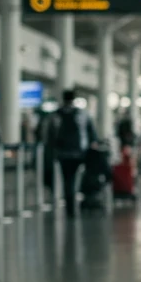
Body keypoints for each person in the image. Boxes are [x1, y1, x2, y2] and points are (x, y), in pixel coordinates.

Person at [49, 89, 98, 218]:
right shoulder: (82, 114)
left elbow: (50, 136)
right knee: (77, 177)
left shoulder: (56, 115)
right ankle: (76, 201)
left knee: (67, 179)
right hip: (79, 152)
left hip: (62, 153)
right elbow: (91, 132)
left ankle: (69, 204)